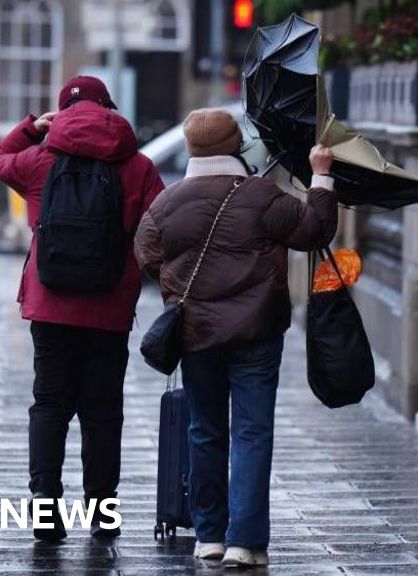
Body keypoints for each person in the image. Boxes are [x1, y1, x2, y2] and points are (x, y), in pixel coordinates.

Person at [134, 108, 337, 568]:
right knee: (251, 432)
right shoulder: (262, 195)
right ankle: (244, 542)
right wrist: (321, 178)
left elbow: (146, 254)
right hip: (256, 334)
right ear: (235, 147)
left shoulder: (167, 204)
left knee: (204, 431)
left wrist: (180, 287)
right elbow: (314, 231)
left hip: (196, 334)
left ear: (189, 149)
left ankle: (208, 536)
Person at [0, 76, 164, 541]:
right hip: (109, 308)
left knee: (49, 403)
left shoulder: (41, 160)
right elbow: (160, 227)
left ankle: (46, 510)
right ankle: (102, 512)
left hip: (50, 305)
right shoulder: (138, 166)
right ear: (109, 108)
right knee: (103, 410)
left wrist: (32, 127)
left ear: (61, 114)